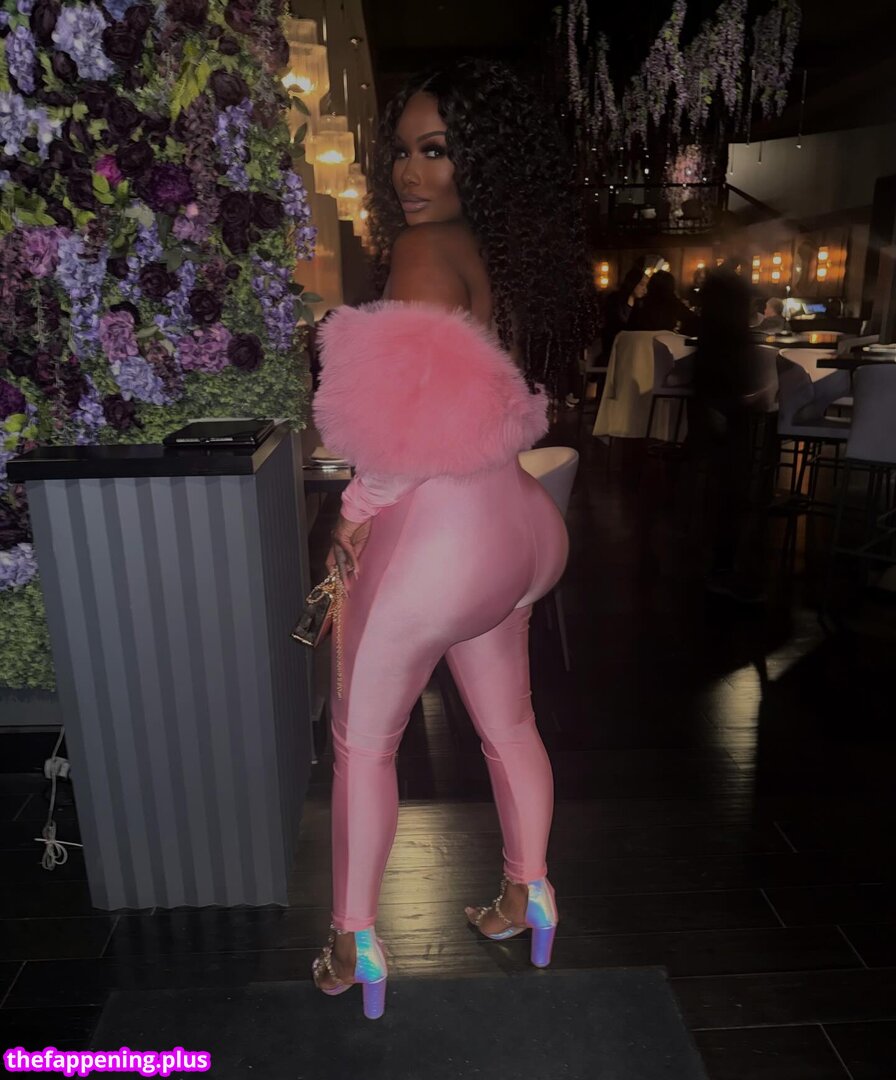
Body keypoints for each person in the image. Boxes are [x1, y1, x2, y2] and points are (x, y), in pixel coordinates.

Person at [309, 58, 597, 1018]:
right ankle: (528, 894)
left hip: (437, 536)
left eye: (435, 151)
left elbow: (404, 430)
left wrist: (350, 518)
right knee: (509, 725)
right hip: (516, 527)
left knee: (363, 744)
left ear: (482, 159)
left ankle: (354, 943)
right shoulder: (505, 253)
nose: (409, 173)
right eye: (401, 152)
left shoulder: (424, 251)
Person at [629, 269, 699, 336]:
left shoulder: (641, 302)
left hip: (640, 341)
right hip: (665, 342)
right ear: (671, 286)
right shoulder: (673, 303)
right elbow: (694, 321)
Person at [600, 261, 647, 358]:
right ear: (633, 283)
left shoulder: (641, 305)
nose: (644, 289)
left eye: (646, 285)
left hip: (632, 348)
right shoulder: (615, 299)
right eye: (642, 284)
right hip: (614, 346)